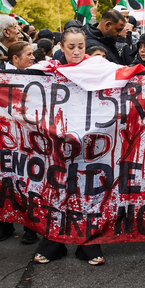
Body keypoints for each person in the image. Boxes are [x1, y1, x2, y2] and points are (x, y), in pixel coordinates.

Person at [34, 27, 104, 265]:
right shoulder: (48, 69)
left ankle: (89, 245)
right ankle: (53, 244)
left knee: (87, 191)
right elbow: (16, 76)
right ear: (61, 47)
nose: (76, 51)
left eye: (81, 46)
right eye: (71, 47)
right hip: (57, 141)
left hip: (89, 142)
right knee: (56, 190)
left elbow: (129, 74)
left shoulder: (97, 67)